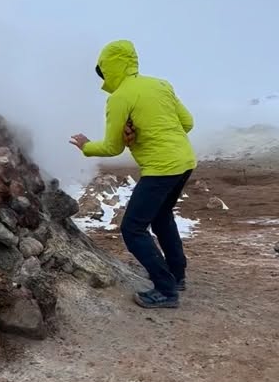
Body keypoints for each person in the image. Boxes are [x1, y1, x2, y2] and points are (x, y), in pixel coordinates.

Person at [70, 39, 196, 309]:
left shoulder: (120, 98)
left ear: (110, 68)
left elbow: (113, 147)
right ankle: (177, 275)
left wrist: (85, 146)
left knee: (132, 229)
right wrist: (146, 131)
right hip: (185, 161)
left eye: (102, 71)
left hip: (160, 169)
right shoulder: (161, 84)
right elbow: (187, 123)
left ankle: (166, 289)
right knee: (162, 217)